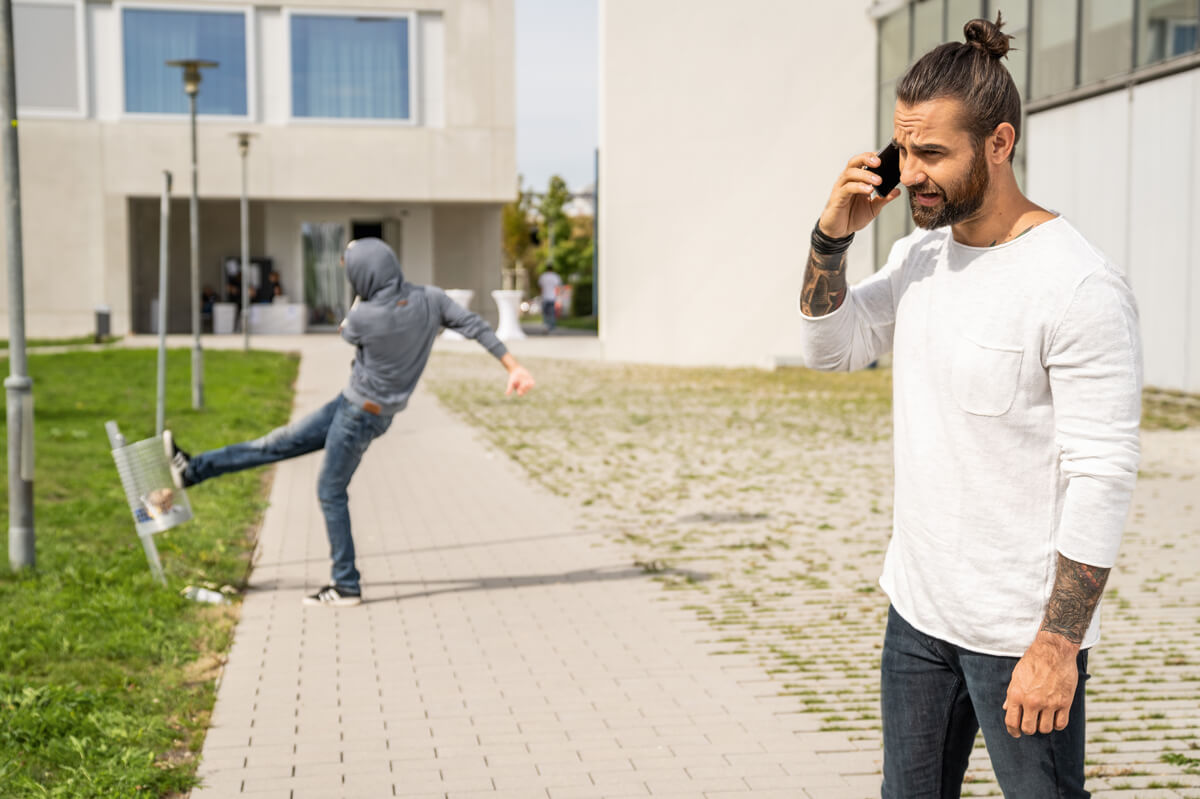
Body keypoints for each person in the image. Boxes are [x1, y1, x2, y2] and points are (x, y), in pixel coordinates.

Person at [798, 15, 1141, 798]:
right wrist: (830, 239)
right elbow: (832, 347)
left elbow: (1103, 472)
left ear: (998, 143)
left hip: (1019, 634)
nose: (910, 173)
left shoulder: (1077, 284)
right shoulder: (918, 256)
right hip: (917, 615)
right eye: (902, 151)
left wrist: (1057, 645)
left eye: (931, 153)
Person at [163, 238, 535, 607]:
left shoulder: (364, 318)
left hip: (358, 415)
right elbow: (476, 326)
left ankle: (346, 585)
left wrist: (358, 294)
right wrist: (513, 366)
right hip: (363, 410)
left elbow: (347, 328)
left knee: (329, 490)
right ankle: (191, 470)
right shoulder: (431, 299)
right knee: (274, 444)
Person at [538, 264, 562, 333]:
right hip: (552, 297)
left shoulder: (543, 276)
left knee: (545, 313)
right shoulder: (555, 276)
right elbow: (557, 288)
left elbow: (541, 288)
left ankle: (545, 326)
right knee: (552, 313)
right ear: (552, 269)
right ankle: (551, 327)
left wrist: (541, 296)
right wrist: (558, 298)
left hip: (545, 297)